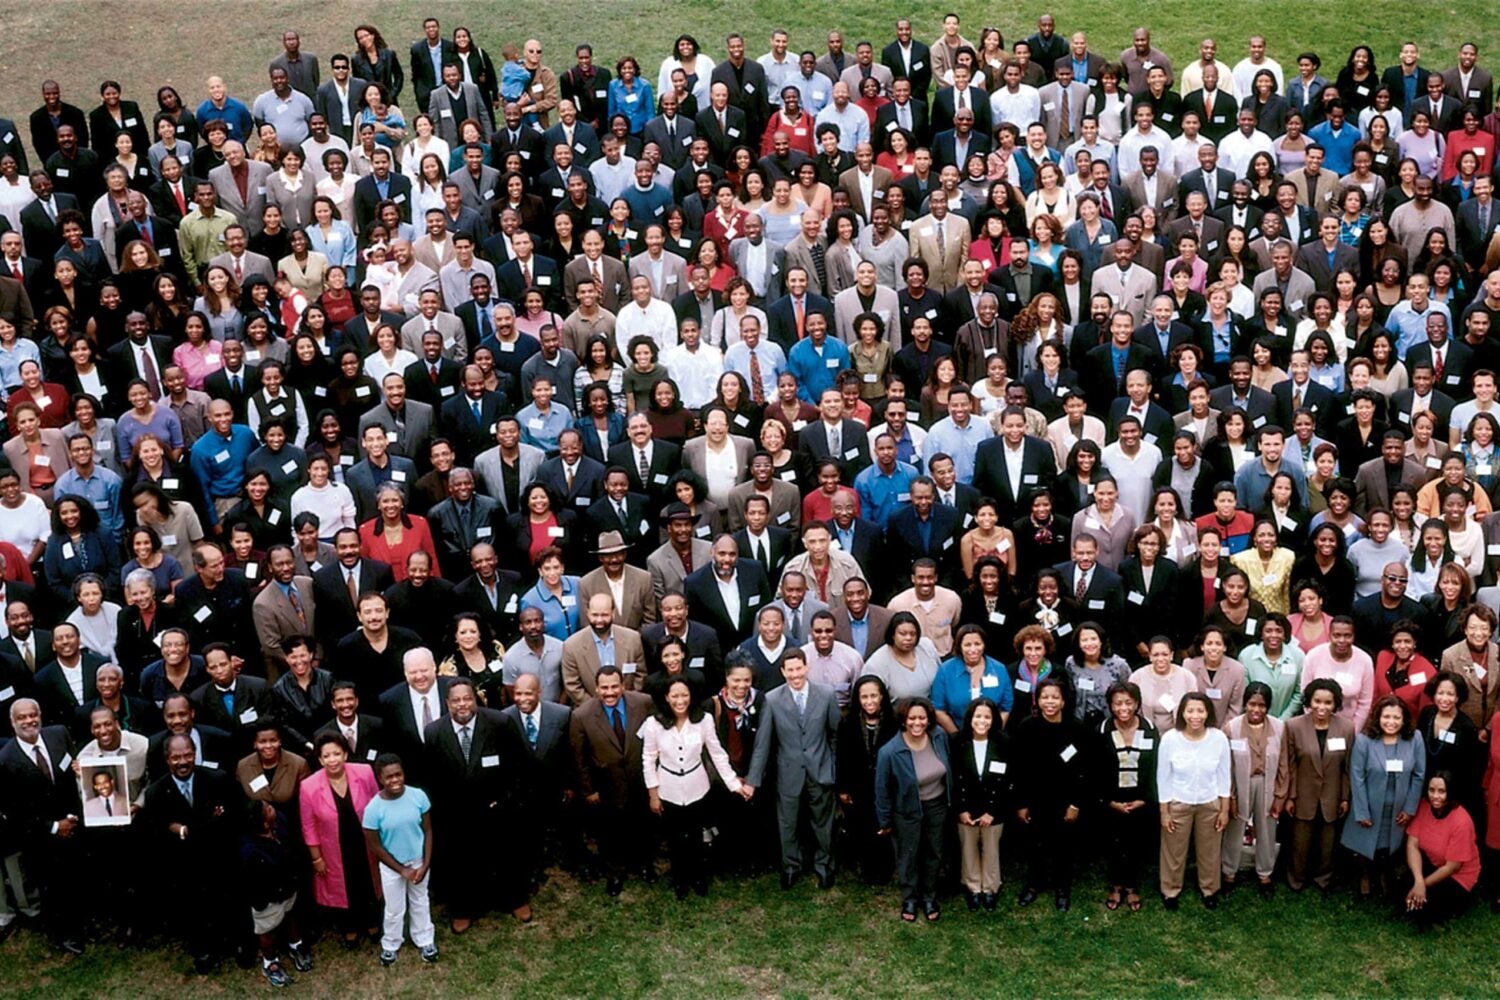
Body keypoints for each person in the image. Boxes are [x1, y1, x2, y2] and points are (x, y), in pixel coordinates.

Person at [745, 649, 842, 889]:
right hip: (788, 772)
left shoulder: (826, 694)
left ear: (806, 667)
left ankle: (824, 866)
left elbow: (835, 735)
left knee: (823, 823)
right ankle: (791, 866)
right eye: (790, 670)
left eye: (799, 668)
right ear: (783, 672)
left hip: (820, 770)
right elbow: (763, 742)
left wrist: (832, 768)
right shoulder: (773, 699)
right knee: (787, 823)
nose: (795, 674)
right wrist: (752, 780)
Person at [642, 675, 746, 898]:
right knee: (675, 838)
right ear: (667, 698)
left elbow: (717, 754)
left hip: (697, 788)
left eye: (684, 695)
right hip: (668, 789)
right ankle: (680, 878)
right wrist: (653, 794)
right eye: (675, 696)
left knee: (697, 836)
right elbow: (648, 759)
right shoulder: (654, 723)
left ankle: (698, 876)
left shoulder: (704, 719)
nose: (680, 701)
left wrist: (734, 784)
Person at [1010, 675, 1088, 910]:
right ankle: (1034, 884)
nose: (1050, 702)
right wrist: (1021, 803)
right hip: (1035, 799)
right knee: (1035, 844)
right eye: (1045, 697)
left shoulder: (1077, 729)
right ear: (1037, 700)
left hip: (1065, 801)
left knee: (1063, 845)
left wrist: (1076, 804)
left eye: (1055, 697)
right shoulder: (1026, 727)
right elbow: (1018, 768)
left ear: (1064, 701)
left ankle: (1062, 888)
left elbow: (1085, 770)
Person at [299, 731, 380, 948]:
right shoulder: (308, 786)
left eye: (337, 753)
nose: (332, 760)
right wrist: (316, 858)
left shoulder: (364, 773)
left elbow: (378, 805)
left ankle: (372, 921)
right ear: (319, 759)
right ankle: (350, 927)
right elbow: (308, 825)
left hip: (365, 842)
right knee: (343, 886)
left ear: (345, 754)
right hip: (333, 848)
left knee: (367, 881)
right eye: (326, 756)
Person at [1341, 695, 1427, 898]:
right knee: (1367, 842)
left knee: (1389, 843)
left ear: (1404, 719)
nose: (1391, 722)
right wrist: (1361, 811)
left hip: (1398, 807)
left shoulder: (1415, 739)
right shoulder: (1364, 741)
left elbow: (1419, 774)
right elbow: (1357, 776)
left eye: (1397, 718)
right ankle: (1365, 875)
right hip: (1370, 804)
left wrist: (1410, 808)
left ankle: (1383, 874)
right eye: (1386, 716)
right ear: (1377, 717)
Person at [875, 696, 951, 922]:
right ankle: (909, 898)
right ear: (903, 720)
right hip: (906, 811)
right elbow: (882, 789)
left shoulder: (939, 738)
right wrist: (884, 820)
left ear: (929, 720)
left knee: (933, 854)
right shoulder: (890, 752)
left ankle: (929, 897)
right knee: (908, 856)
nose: (917, 723)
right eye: (912, 718)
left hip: (937, 806)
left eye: (922, 718)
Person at [1156, 692, 1231, 909]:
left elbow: (1225, 775)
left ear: (1208, 713)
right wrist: (1165, 811)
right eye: (1190, 711)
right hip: (1179, 802)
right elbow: (1163, 777)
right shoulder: (1170, 739)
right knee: (1174, 851)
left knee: (1209, 851)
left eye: (1200, 710)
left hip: (1210, 803)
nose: (1195, 716)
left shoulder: (1218, 738)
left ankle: (1209, 890)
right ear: (1182, 713)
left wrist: (1224, 810)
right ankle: (1170, 891)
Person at [361, 753, 438, 967]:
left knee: (420, 900)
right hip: (391, 866)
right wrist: (400, 869)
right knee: (394, 907)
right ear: (380, 779)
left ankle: (425, 939)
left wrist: (425, 863)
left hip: (419, 861)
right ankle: (391, 943)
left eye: (398, 774)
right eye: (389, 777)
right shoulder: (373, 809)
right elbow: (375, 845)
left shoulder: (418, 796)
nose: (395, 780)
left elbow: (428, 830)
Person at [1284, 678, 1354, 892]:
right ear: (1309, 701)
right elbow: (1290, 764)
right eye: (1317, 701)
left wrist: (1344, 796)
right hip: (1303, 794)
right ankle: (1296, 878)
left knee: (1327, 844)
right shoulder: (1294, 726)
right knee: (1300, 843)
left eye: (1328, 703)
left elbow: (1347, 766)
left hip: (1332, 794)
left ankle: (1323, 877)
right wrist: (1290, 796)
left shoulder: (1346, 728)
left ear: (1335, 704)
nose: (1322, 707)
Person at [1221, 683, 1290, 896]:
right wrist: (1230, 796)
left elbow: (1284, 764)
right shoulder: (1231, 728)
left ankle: (1265, 873)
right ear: (1245, 704)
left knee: (1267, 828)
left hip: (1267, 784)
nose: (1256, 710)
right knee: (1235, 828)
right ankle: (1228, 872)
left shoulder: (1279, 727)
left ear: (1268, 707)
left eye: (1261, 705)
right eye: (1252, 704)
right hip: (1240, 784)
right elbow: (1227, 766)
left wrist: (1280, 795)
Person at [950, 696, 1009, 912]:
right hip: (966, 809)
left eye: (987, 716)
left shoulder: (1003, 743)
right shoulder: (957, 742)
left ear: (994, 719)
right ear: (970, 718)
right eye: (978, 716)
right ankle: (973, 888)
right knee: (969, 849)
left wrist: (991, 812)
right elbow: (953, 779)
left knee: (991, 849)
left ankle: (990, 888)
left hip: (994, 810)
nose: (982, 721)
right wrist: (962, 810)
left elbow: (1007, 781)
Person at [1402, 770, 1481, 925]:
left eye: (1441, 791)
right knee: (1400, 887)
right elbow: (1412, 844)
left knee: (1424, 913)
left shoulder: (1462, 821)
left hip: (1457, 876)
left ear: (1450, 792)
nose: (1435, 796)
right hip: (1434, 865)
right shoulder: (1423, 807)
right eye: (1431, 790)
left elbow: (1452, 867)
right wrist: (1419, 882)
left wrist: (1421, 886)